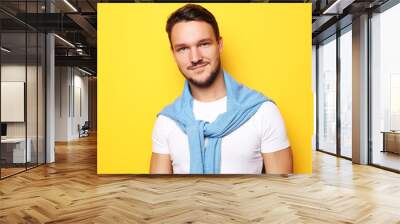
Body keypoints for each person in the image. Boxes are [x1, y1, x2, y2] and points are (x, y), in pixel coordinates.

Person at [150, 4, 292, 174]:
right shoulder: (167, 121)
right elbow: (161, 194)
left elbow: (280, 194)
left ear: (220, 45)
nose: (195, 58)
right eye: (183, 49)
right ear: (173, 54)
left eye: (204, 44)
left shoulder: (263, 112)